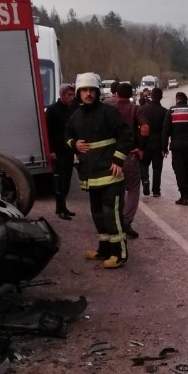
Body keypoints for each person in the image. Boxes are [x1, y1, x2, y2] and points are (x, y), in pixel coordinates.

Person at [65, 72, 133, 269]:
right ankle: (103, 250)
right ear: (79, 93)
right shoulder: (76, 116)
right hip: (90, 176)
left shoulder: (108, 112)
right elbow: (66, 134)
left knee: (112, 216)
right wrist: (73, 143)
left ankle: (119, 253)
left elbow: (126, 135)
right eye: (84, 90)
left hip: (110, 176)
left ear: (97, 92)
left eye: (91, 90)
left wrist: (118, 159)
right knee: (97, 215)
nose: (88, 94)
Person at [115, 82, 147, 238]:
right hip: (129, 155)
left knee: (115, 189)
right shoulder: (135, 109)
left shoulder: (109, 109)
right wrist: (141, 147)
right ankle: (126, 221)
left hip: (112, 156)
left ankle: (113, 221)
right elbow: (145, 128)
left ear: (117, 94)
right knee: (133, 188)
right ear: (131, 95)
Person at [45, 83, 78, 219]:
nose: (72, 98)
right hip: (58, 151)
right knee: (60, 180)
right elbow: (48, 132)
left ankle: (63, 207)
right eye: (69, 95)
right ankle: (60, 208)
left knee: (67, 179)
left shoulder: (72, 109)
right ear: (62, 95)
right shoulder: (52, 110)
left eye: (72, 95)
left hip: (68, 150)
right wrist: (51, 150)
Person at [163, 91, 188, 205]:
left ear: (176, 100)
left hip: (177, 146)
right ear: (186, 100)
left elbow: (165, 131)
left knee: (179, 170)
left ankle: (184, 195)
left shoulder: (171, 111)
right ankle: (187, 189)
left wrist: (164, 148)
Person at [140, 87, 167, 197]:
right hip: (158, 143)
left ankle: (145, 179)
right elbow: (166, 131)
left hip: (144, 142)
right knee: (157, 168)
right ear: (161, 97)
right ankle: (156, 190)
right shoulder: (164, 112)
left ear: (151, 96)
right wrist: (165, 147)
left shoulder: (142, 109)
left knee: (143, 163)